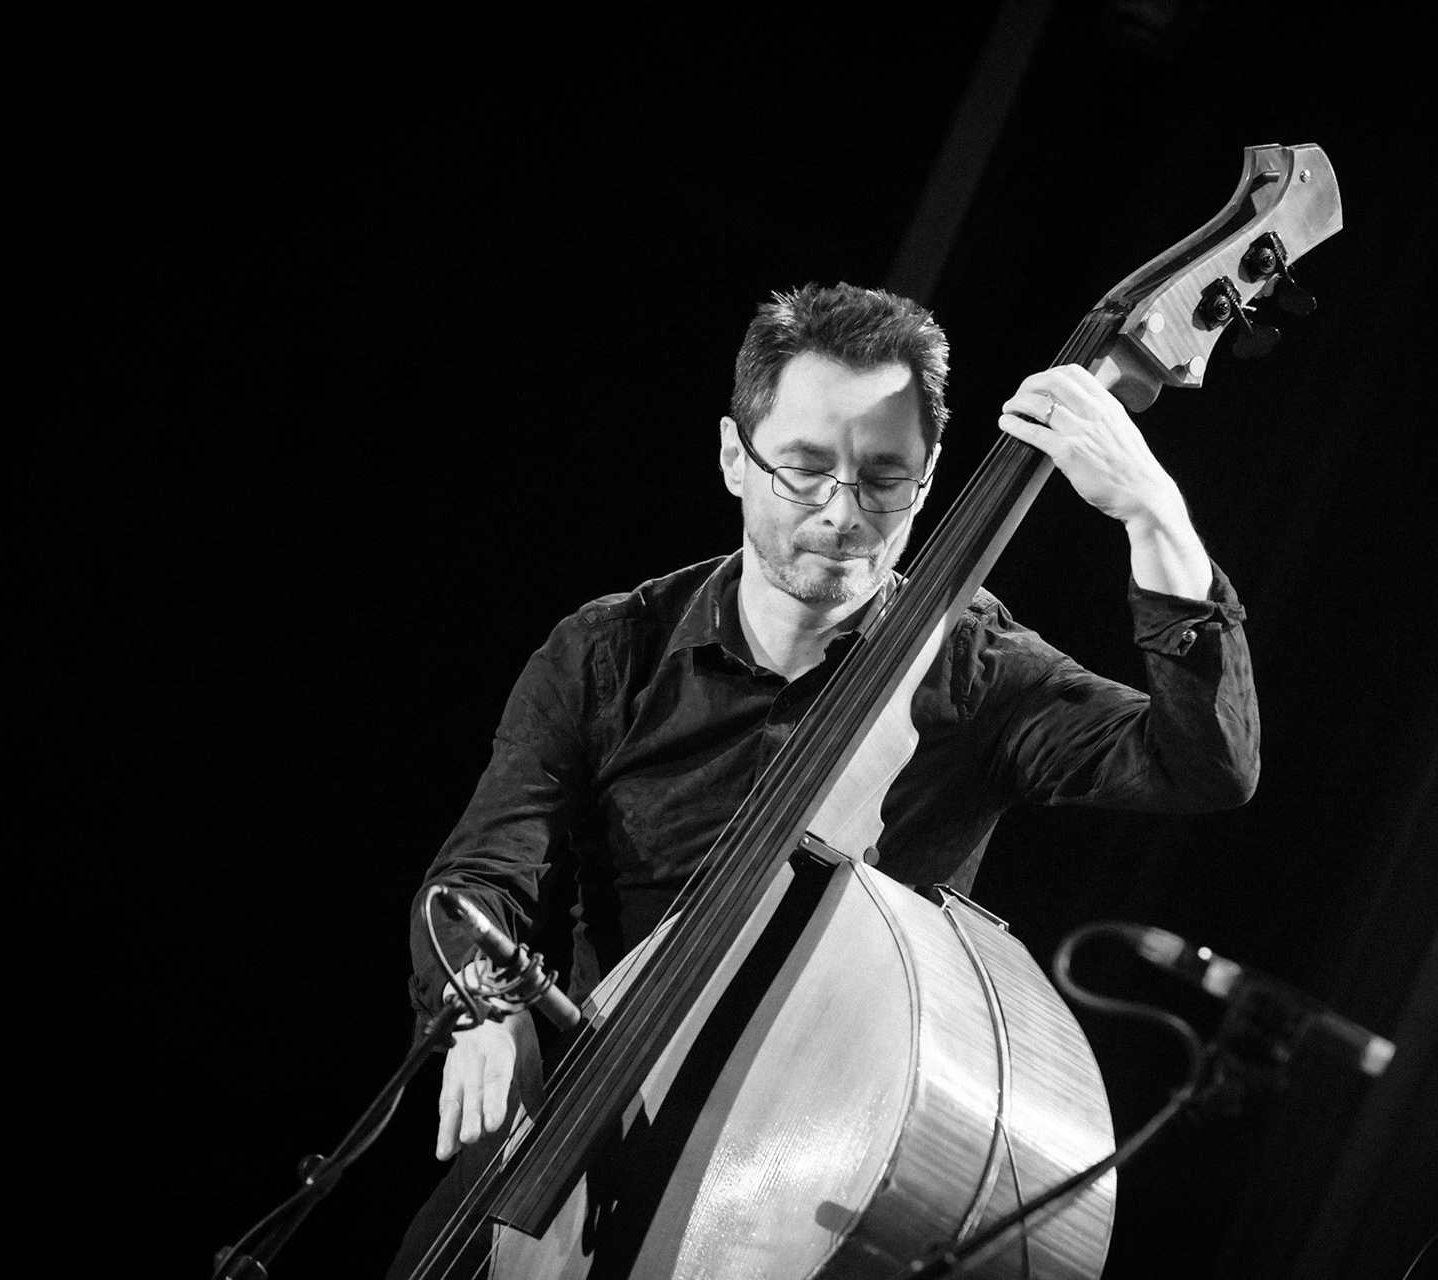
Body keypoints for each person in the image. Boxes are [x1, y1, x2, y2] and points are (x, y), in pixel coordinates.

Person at [388, 281, 1260, 1271]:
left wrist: (1156, 516)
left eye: (884, 478)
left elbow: (1206, 764)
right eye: (803, 469)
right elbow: (474, 883)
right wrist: (484, 1008)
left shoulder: (976, 674)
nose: (842, 513)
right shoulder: (610, 650)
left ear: (930, 481)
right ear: (734, 457)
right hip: (559, 1144)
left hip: (784, 1205)